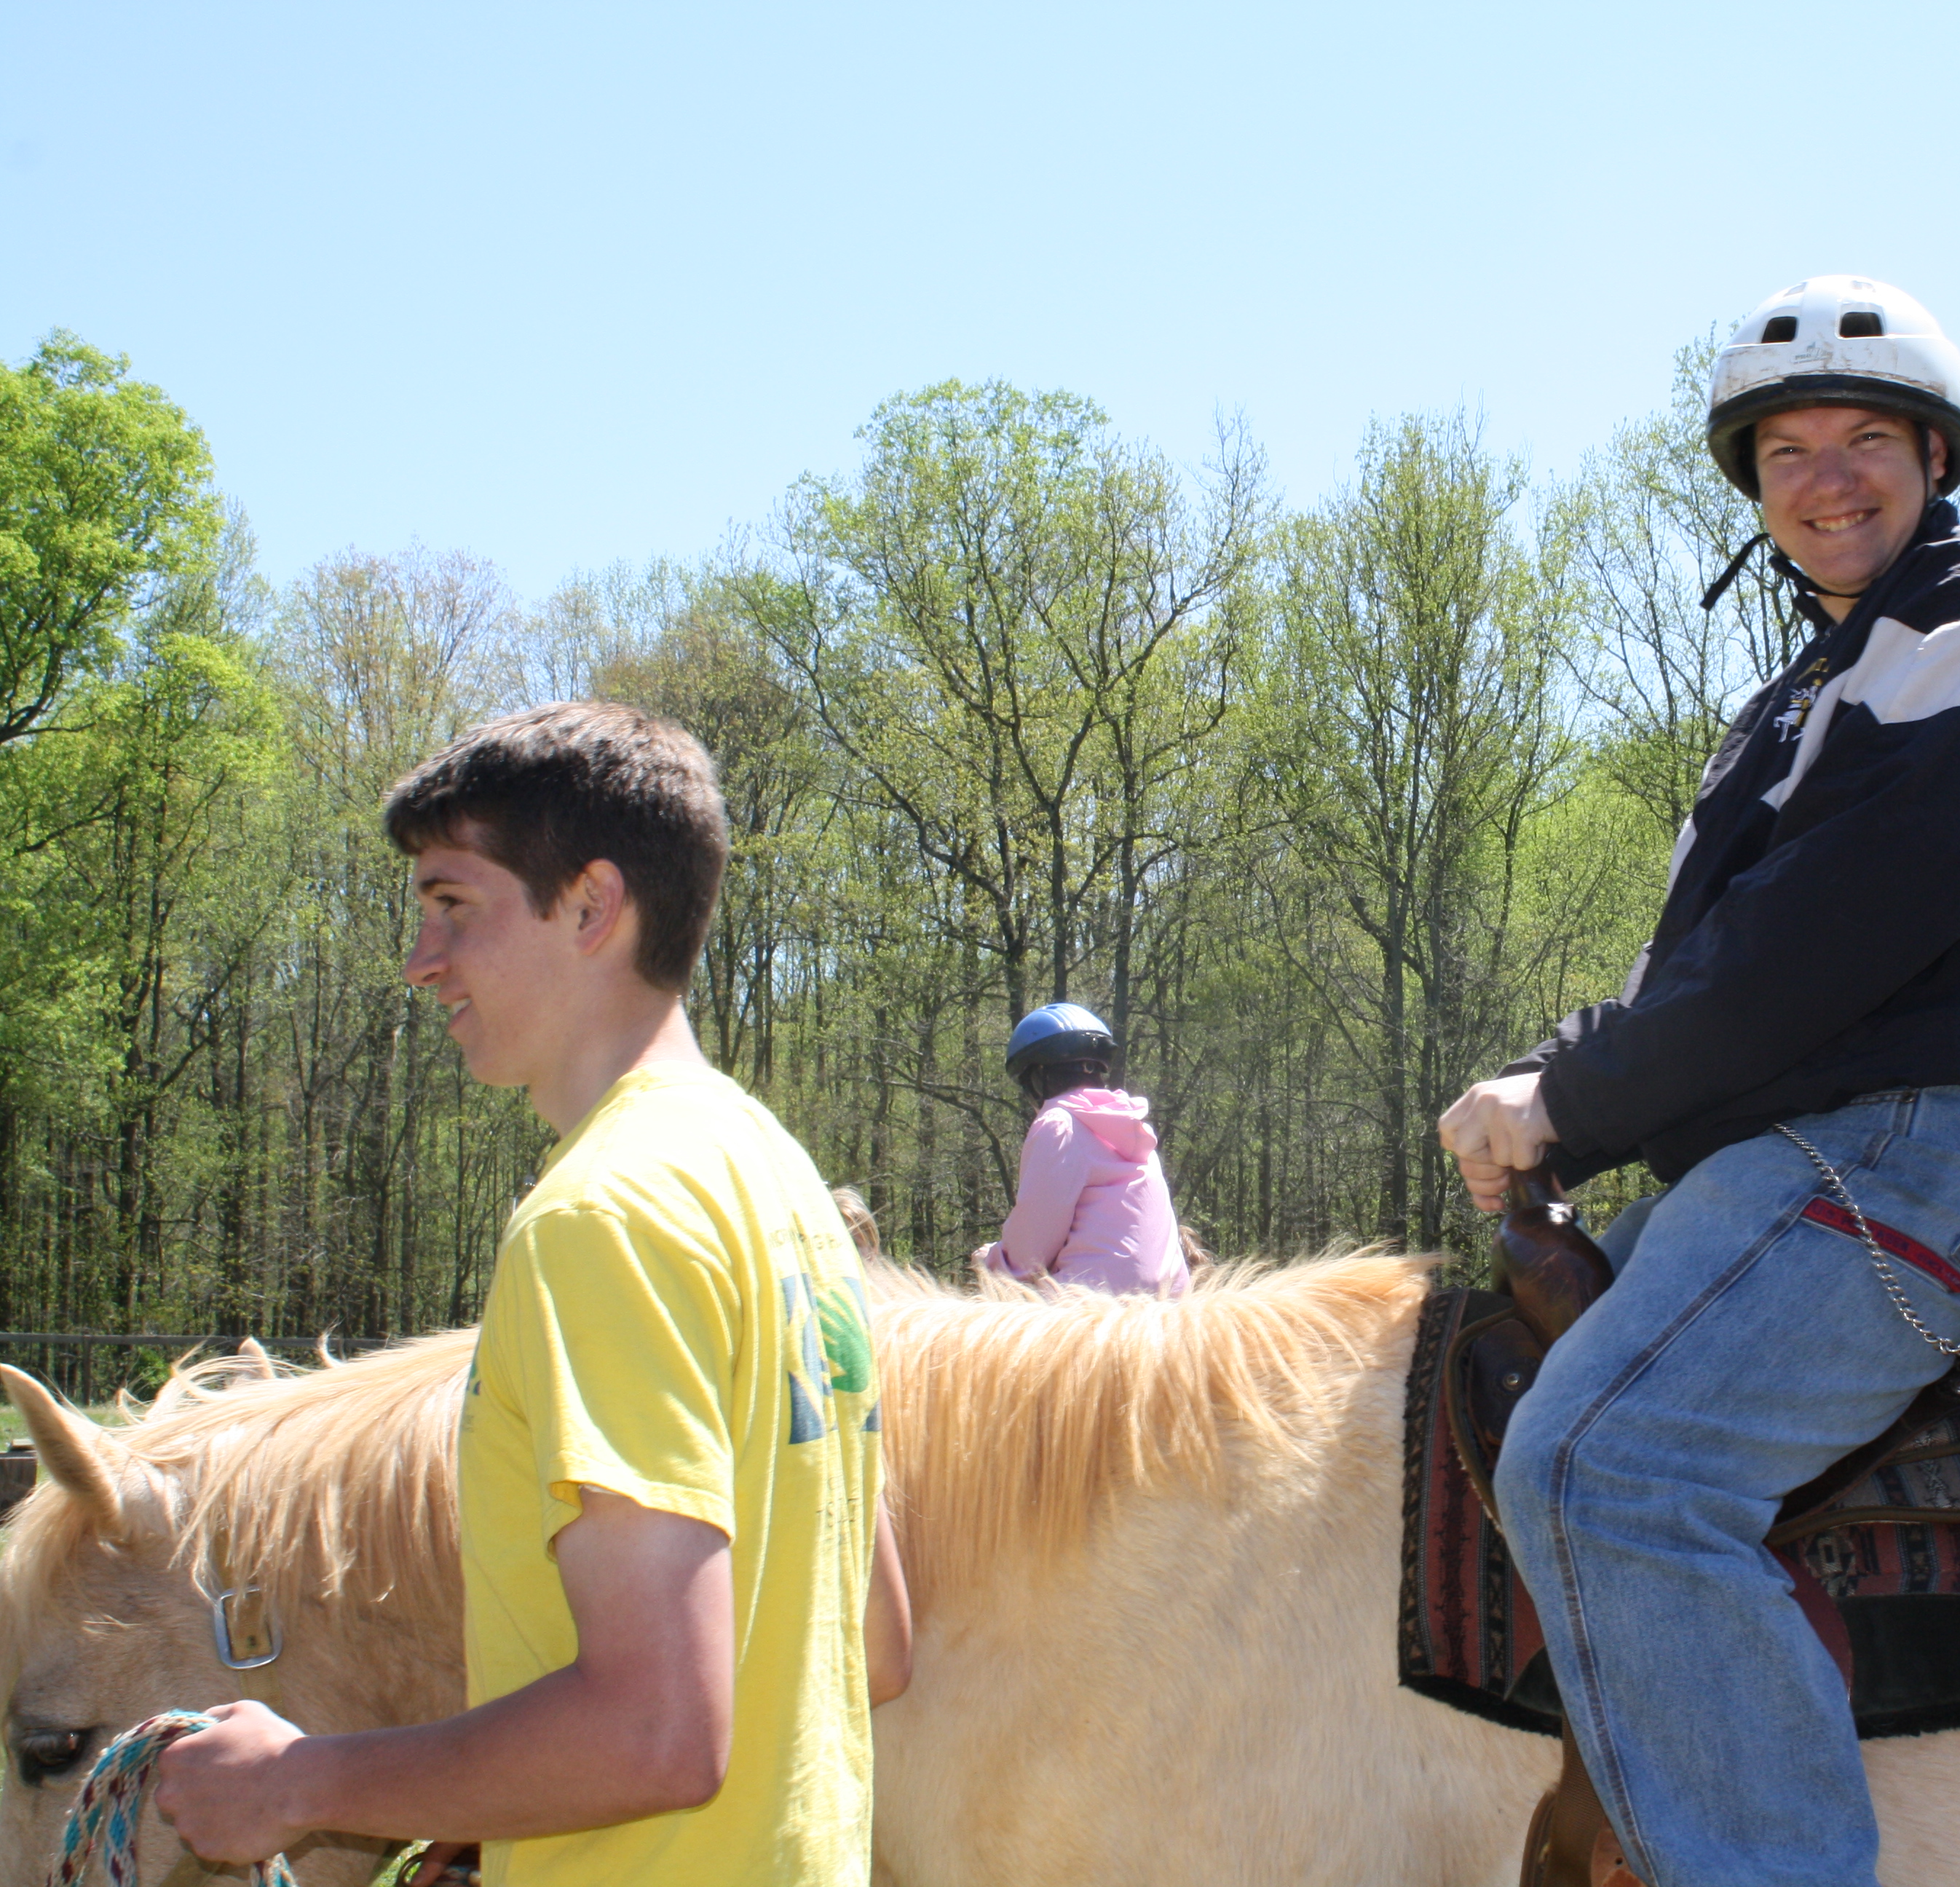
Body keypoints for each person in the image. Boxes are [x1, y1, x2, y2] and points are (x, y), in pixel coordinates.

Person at [1437, 275, 1960, 1887]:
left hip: (1913, 1154)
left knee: (1608, 1465)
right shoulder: (1810, 694)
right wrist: (1557, 1070)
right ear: (1754, 488)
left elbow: (1824, 949)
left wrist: (1571, 1109)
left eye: (1869, 439)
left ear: (1937, 458)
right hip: (1801, 1157)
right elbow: (1720, 967)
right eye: (1790, 451)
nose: (1829, 479)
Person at [154, 701, 914, 1886]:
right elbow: (873, 1644)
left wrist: (295, 1785)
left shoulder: (596, 1220)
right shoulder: (786, 1189)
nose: (420, 959)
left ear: (590, 907)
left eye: (454, 905)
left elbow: (657, 1732)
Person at [979, 1002, 1190, 1297]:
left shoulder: (1059, 1124)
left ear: (1038, 1076)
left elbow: (1029, 1255)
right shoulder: (1132, 1127)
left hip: (1091, 1307)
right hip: (1171, 1304)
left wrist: (991, 1261)